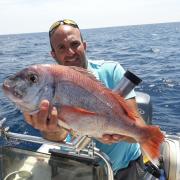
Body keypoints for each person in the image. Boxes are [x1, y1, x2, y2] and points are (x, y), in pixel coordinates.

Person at [23, 19, 146, 180]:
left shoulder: (111, 70)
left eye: (75, 44)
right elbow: (58, 137)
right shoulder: (47, 88)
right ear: (53, 54)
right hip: (82, 170)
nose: (70, 52)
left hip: (126, 167)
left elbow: (139, 128)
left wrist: (119, 132)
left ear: (84, 45)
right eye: (61, 47)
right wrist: (50, 129)